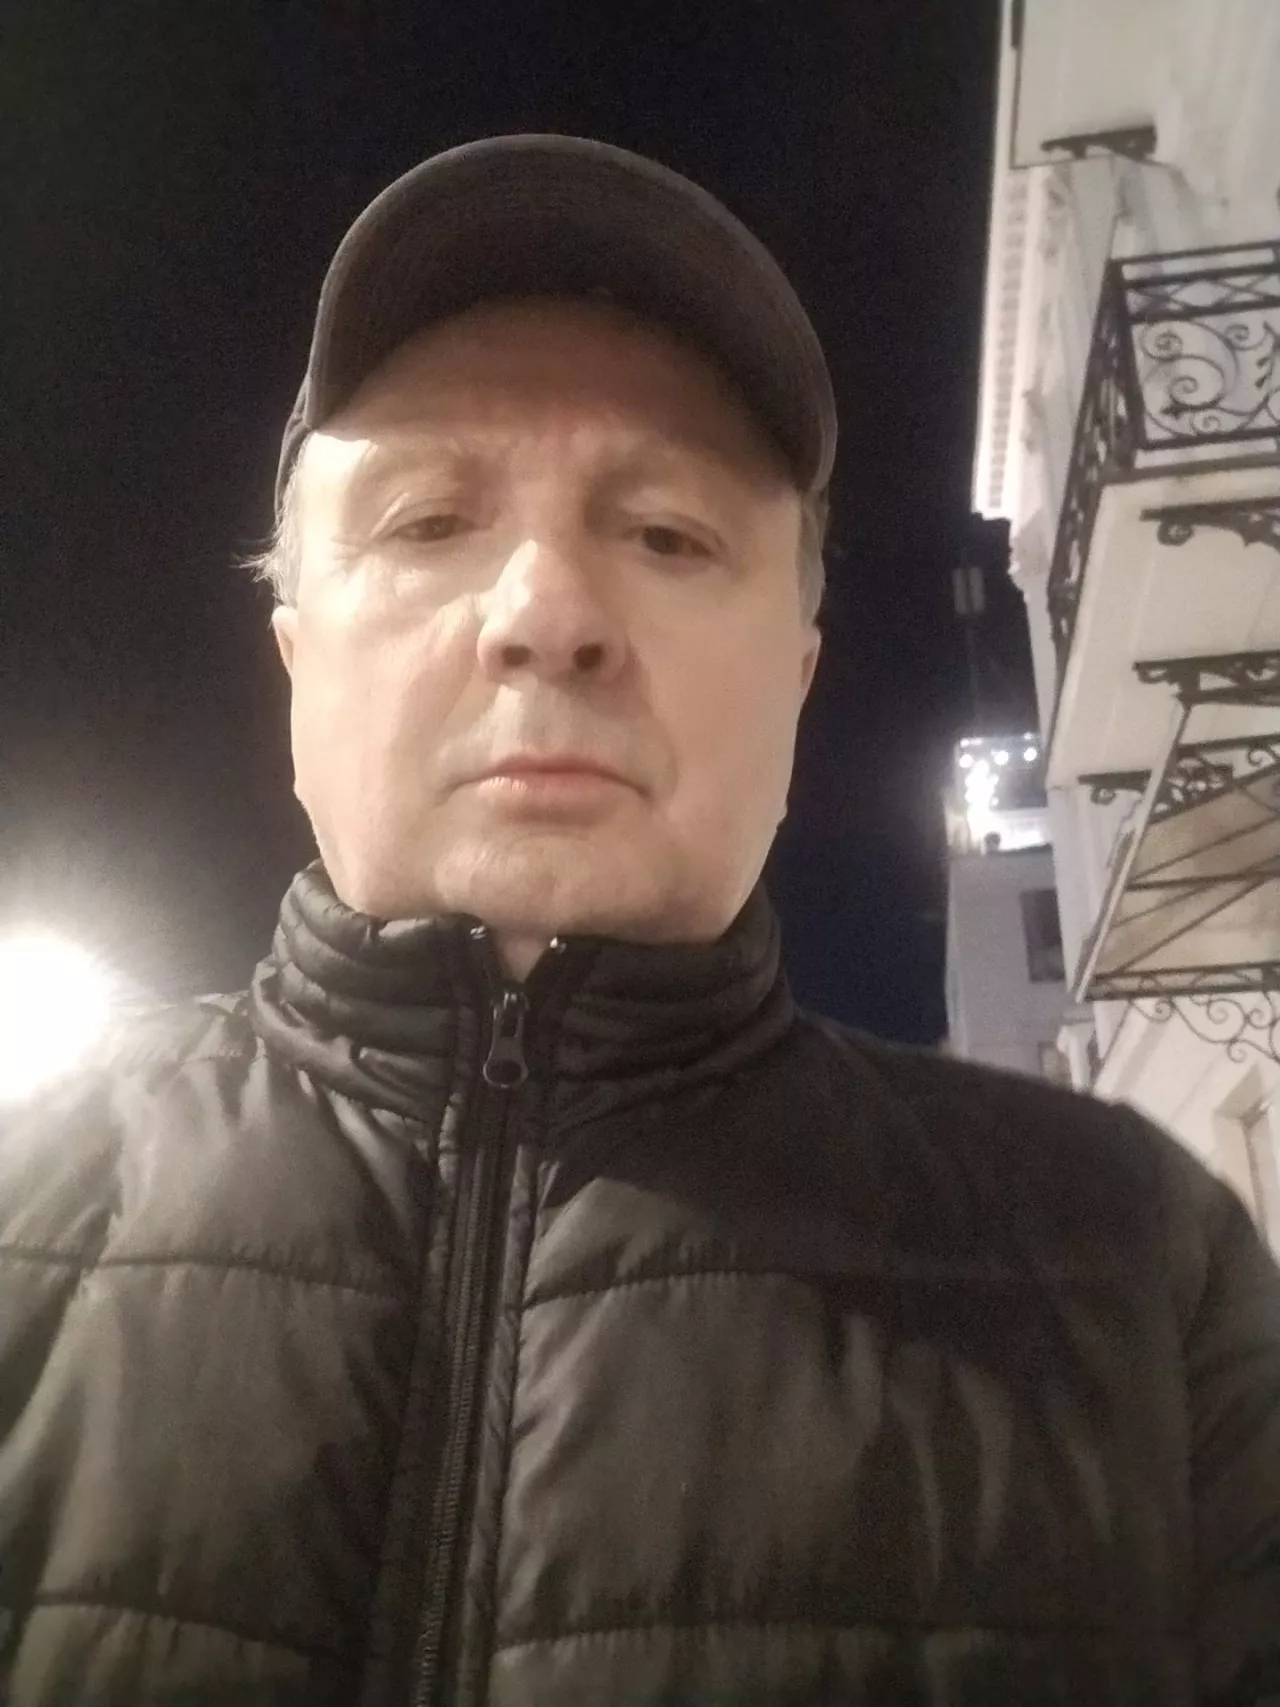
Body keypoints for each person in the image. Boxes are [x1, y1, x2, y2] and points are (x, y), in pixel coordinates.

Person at [1, 135, 1278, 1707]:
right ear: (296, 664)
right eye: (426, 522)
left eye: (669, 533)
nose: (546, 612)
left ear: (797, 685)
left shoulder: (1142, 1279)